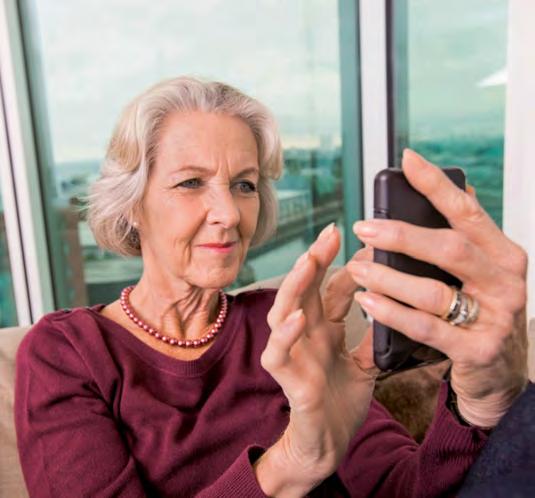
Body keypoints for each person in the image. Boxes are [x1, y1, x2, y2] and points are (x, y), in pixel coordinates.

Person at [14, 76, 528, 498]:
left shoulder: (282, 321)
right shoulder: (68, 354)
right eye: (190, 182)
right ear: (131, 204)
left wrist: (479, 405)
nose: (229, 213)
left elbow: (404, 488)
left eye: (244, 185)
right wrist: (291, 465)